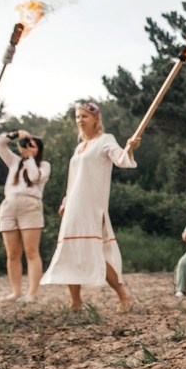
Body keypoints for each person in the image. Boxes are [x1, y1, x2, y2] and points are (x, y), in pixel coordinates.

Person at [41, 102, 139, 311]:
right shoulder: (79, 148)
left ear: (96, 119)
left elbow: (121, 159)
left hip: (92, 205)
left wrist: (129, 148)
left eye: (85, 116)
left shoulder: (105, 140)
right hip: (74, 206)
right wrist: (66, 201)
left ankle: (124, 295)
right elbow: (73, 179)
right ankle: (75, 301)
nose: (80, 120)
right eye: (78, 116)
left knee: (96, 252)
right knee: (70, 250)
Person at [0, 130, 50, 304]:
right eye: (26, 143)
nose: (27, 146)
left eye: (31, 145)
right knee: (12, 253)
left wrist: (29, 158)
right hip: (9, 204)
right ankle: (15, 291)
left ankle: (32, 293)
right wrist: (16, 134)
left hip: (30, 205)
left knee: (31, 251)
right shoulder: (14, 162)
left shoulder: (43, 165)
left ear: (38, 149)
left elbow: (34, 177)